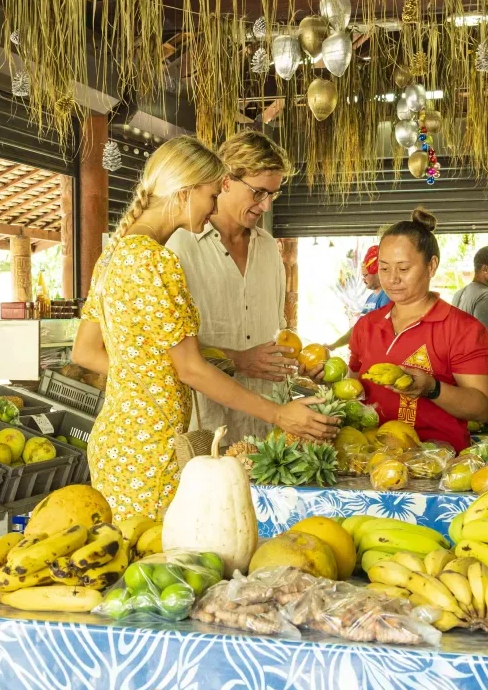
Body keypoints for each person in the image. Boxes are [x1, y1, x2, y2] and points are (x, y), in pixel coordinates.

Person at [71, 137, 338, 521]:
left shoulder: (115, 254)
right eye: (212, 195)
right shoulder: (158, 261)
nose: (213, 206)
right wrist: (279, 415)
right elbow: (190, 368)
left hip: (123, 440)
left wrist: (152, 379)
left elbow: (90, 352)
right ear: (184, 193)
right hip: (153, 448)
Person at [167, 133, 296, 443]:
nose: (265, 205)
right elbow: (166, 352)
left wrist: (296, 361)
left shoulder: (268, 249)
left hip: (267, 433)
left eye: (272, 195)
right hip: (206, 433)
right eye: (258, 192)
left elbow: (276, 330)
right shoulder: (178, 247)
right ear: (225, 180)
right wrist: (237, 359)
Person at [341, 209, 488, 450]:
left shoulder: (463, 329)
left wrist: (432, 389)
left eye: (403, 269)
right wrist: (325, 379)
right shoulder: (366, 325)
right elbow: (353, 390)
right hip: (371, 462)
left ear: (431, 266)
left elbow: (483, 408)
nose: (392, 279)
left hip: (438, 468)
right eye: (384, 268)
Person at [330, 246, 389, 351]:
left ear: (378, 273)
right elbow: (358, 329)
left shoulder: (387, 296)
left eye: (365, 275)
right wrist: (334, 345)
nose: (363, 279)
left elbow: (381, 332)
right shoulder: (370, 298)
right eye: (362, 275)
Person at [451, 245, 488, 353]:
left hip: (460, 366)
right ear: (485, 269)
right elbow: (484, 345)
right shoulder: (487, 297)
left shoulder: (458, 294)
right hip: (483, 368)